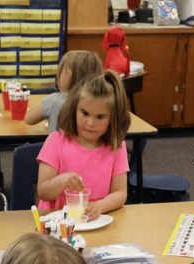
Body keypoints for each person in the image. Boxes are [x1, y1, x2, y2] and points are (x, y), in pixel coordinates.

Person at [35, 71, 130, 221]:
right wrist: (61, 181)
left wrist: (100, 206)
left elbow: (120, 193)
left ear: (113, 119)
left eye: (100, 117)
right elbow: (43, 192)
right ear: (74, 109)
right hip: (57, 223)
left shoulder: (117, 147)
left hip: (96, 220)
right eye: (84, 113)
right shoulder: (55, 141)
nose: (90, 123)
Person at [24, 50, 103, 133]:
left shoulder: (55, 100)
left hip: (58, 146)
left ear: (69, 75)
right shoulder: (102, 101)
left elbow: (28, 119)